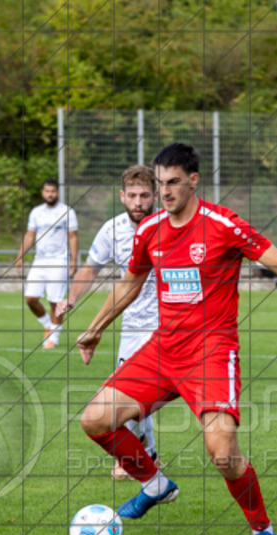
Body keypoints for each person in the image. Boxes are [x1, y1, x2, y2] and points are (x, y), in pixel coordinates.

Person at [74, 142, 277, 535]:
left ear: (193, 180)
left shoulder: (222, 224)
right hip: (163, 349)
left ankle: (261, 527)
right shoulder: (149, 231)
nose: (164, 193)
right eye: (160, 183)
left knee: (221, 452)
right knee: (94, 419)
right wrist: (95, 328)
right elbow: (130, 283)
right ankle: (155, 483)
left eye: (173, 183)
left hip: (211, 352)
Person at [55, 165, 162, 480]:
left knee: (129, 394)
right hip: (132, 327)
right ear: (122, 196)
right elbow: (91, 267)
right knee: (128, 391)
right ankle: (148, 450)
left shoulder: (170, 226)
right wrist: (72, 297)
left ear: (155, 195)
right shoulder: (112, 230)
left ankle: (143, 452)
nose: (138, 202)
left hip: (171, 325)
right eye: (132, 195)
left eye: (145, 195)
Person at [14, 179, 78, 349]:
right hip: (39, 261)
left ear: (58, 192)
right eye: (47, 191)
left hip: (59, 261)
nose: (50, 194)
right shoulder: (36, 212)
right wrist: (20, 256)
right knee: (30, 299)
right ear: (43, 193)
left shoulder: (67, 212)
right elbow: (29, 236)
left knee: (55, 301)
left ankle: (53, 338)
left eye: (53, 191)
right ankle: (47, 325)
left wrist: (74, 260)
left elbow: (73, 236)